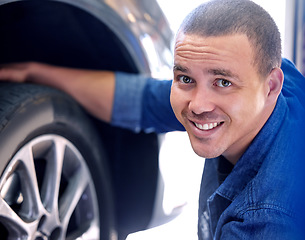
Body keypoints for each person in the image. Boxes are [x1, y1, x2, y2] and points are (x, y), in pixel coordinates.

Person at [0, 0, 305, 239]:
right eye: (185, 78)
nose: (198, 105)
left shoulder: (263, 221)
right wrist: (36, 73)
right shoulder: (276, 83)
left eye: (222, 82)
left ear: (271, 86)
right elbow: (143, 101)